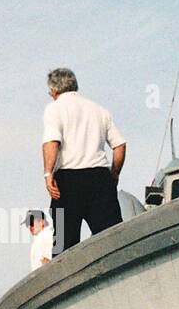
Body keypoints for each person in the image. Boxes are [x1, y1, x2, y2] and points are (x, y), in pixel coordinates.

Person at [42, 67, 126, 255]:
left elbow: (52, 141)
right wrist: (114, 174)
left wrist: (48, 174)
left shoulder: (54, 108)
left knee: (64, 244)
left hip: (67, 181)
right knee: (113, 240)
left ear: (54, 91)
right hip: (100, 178)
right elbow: (119, 145)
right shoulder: (100, 110)